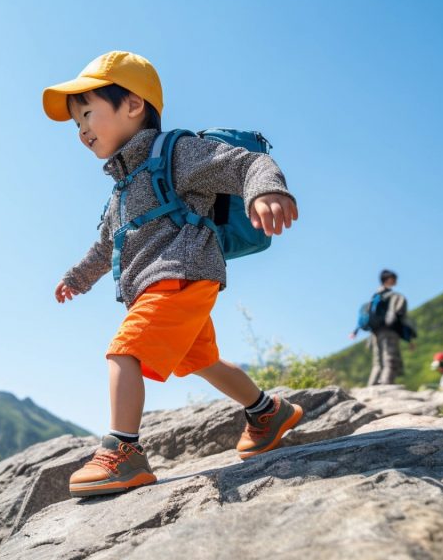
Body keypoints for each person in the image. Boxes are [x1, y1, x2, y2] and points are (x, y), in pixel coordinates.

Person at [43, 51, 304, 498]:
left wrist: (267, 189)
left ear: (133, 105)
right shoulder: (119, 192)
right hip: (152, 285)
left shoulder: (177, 153)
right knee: (201, 360)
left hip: (183, 273)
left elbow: (245, 164)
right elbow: (106, 246)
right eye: (76, 124)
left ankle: (124, 452)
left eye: (88, 113)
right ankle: (268, 412)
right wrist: (77, 277)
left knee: (124, 350)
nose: (82, 129)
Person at [351, 269, 410, 386]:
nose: (396, 281)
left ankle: (371, 387)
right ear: (388, 280)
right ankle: (385, 386)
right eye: (394, 279)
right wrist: (407, 336)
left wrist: (355, 331)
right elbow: (399, 315)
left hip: (375, 333)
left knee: (377, 362)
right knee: (390, 359)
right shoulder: (395, 296)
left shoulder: (374, 298)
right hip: (389, 332)